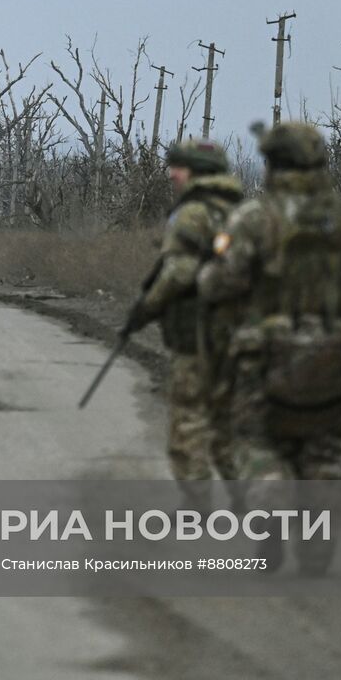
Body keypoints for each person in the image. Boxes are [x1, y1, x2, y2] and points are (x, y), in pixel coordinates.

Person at [198, 121, 341, 571]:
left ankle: (267, 516)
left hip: (263, 357)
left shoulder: (253, 219)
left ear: (272, 165)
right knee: (322, 451)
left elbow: (218, 284)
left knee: (256, 442)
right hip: (329, 357)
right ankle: (315, 552)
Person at [126, 139, 244, 504]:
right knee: (228, 424)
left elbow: (179, 272)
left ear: (196, 171)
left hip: (199, 333)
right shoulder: (244, 211)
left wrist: (146, 308)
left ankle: (196, 504)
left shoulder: (192, 213)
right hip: (242, 333)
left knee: (189, 421)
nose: (172, 174)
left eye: (178, 167)